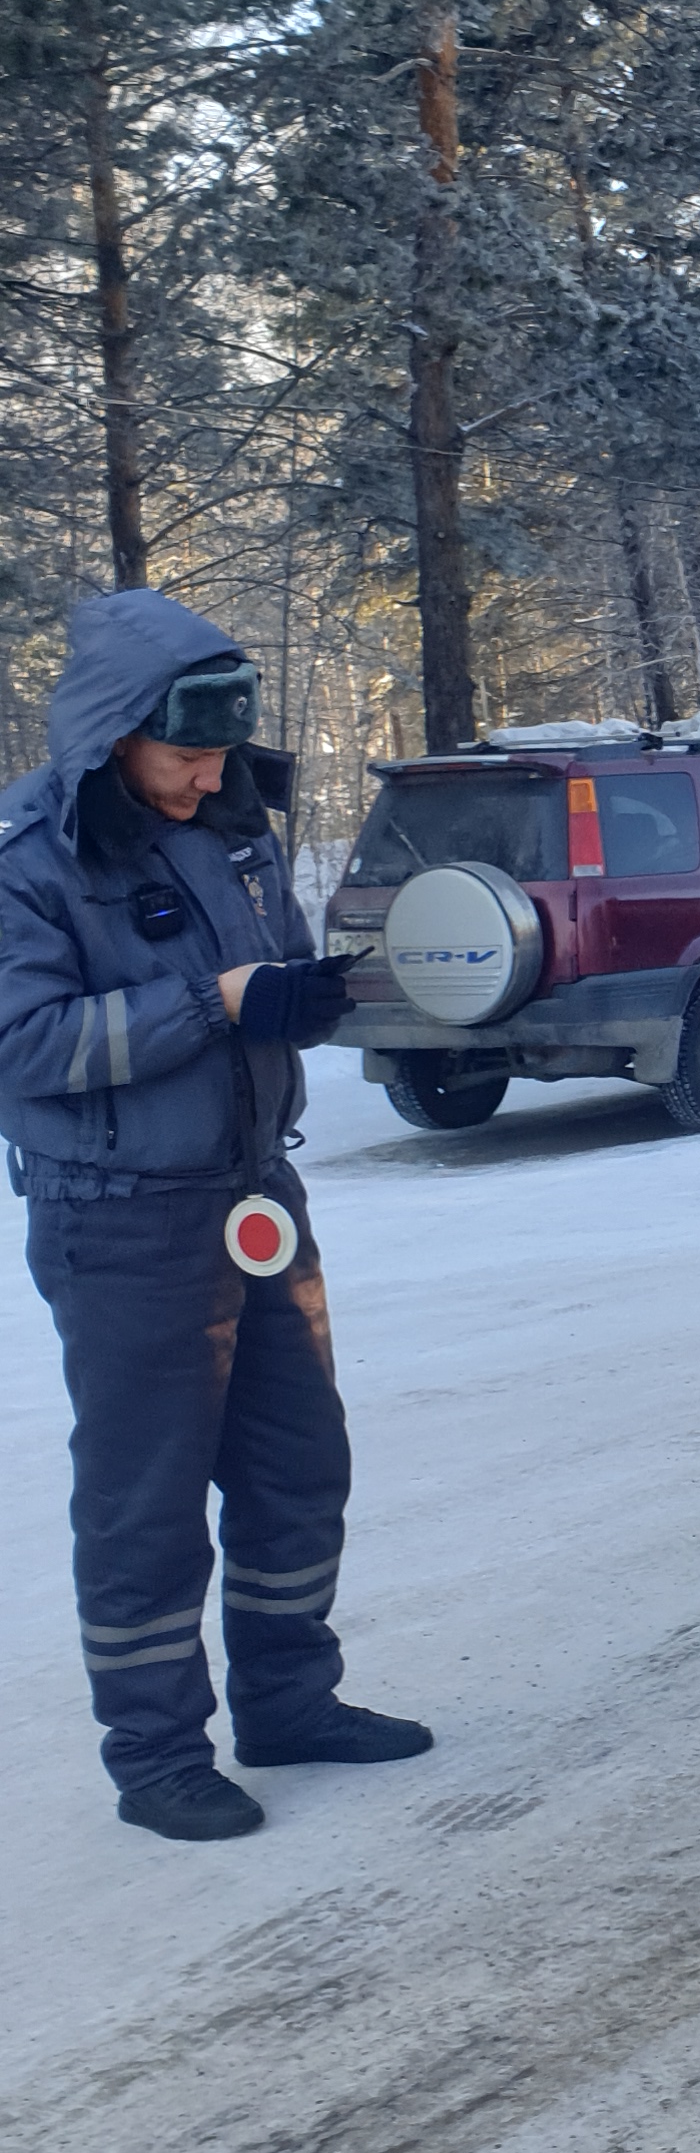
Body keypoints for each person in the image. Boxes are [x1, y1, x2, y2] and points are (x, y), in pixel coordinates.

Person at [0, 590, 433, 1842]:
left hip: (257, 1194)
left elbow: (266, 972)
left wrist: (301, 998)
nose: (206, 776)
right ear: (111, 732)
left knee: (298, 1466)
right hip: (119, 1215)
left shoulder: (232, 826)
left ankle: (292, 1702)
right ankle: (154, 1757)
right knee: (145, 1496)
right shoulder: (33, 860)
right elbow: (23, 1044)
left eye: (220, 752)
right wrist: (217, 1003)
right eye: (184, 754)